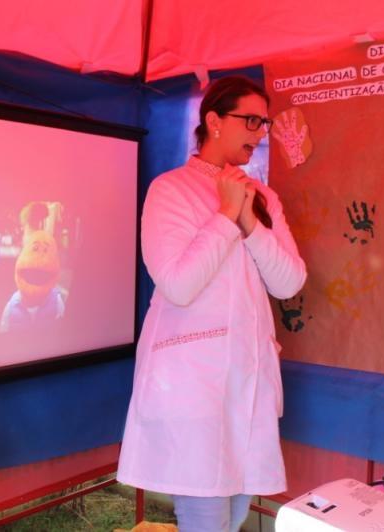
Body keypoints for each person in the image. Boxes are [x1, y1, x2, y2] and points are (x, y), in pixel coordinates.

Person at [117, 76, 307, 532]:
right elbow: (178, 285)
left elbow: (289, 283)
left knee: (235, 514)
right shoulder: (170, 190)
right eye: (251, 120)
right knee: (206, 518)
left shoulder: (263, 197)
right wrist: (225, 215)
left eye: (264, 123)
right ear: (214, 121)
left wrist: (249, 221)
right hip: (192, 386)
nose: (260, 132)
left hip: (249, 382)